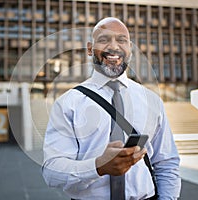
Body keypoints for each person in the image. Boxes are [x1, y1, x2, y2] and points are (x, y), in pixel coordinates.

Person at [42, 17, 181, 199]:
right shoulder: (68, 103)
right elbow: (51, 172)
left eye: (121, 40)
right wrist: (98, 166)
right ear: (90, 49)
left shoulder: (151, 100)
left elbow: (167, 162)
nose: (114, 47)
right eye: (104, 39)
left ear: (129, 49)